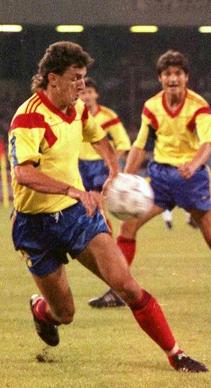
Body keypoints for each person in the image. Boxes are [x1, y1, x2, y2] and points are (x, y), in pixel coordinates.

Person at [9, 41, 207, 372]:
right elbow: (23, 173)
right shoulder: (29, 118)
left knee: (125, 284)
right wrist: (74, 189)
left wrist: (114, 170)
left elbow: (99, 138)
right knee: (65, 314)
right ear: (52, 79)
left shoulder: (78, 110)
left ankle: (177, 354)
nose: (82, 86)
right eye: (75, 78)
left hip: (76, 217)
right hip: (34, 226)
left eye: (83, 77)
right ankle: (42, 311)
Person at [89, 49, 211, 307]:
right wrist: (124, 177)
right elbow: (141, 146)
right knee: (128, 227)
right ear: (160, 78)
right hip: (161, 178)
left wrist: (194, 164)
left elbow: (208, 142)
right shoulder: (152, 106)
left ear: (186, 77)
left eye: (177, 73)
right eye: (167, 74)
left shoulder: (199, 106)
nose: (173, 78)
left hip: (192, 178)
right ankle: (118, 291)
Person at [78, 78, 131, 308]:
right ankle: (103, 242)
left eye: (90, 91)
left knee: (97, 209)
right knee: (87, 210)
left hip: (99, 167)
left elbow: (123, 143)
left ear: (96, 94)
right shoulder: (73, 113)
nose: (86, 96)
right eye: (83, 92)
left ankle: (106, 245)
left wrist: (112, 166)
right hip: (78, 166)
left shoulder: (109, 116)